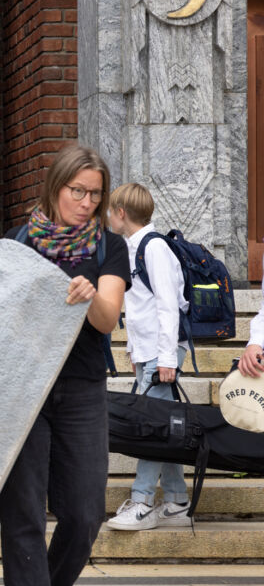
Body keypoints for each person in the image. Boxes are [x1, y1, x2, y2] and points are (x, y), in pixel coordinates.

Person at [0, 144, 129, 586]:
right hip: (25, 386)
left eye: (96, 195)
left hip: (80, 385)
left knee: (84, 511)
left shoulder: (107, 248)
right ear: (56, 188)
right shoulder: (18, 242)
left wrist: (90, 293)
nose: (87, 203)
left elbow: (107, 318)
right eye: (79, 191)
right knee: (24, 507)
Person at [105, 183, 192, 530]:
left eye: (111, 210)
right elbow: (141, 305)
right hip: (150, 352)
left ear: (121, 213)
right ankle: (176, 500)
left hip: (163, 352)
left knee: (151, 429)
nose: (109, 216)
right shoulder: (136, 246)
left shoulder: (154, 247)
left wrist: (167, 359)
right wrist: (134, 350)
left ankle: (141, 501)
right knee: (163, 424)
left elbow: (169, 306)